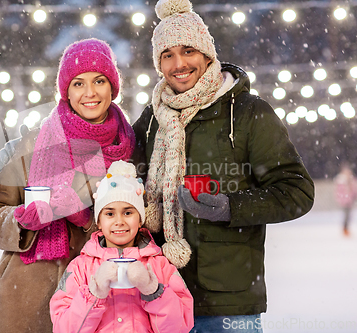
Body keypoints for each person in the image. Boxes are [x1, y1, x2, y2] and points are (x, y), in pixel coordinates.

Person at [131, 0, 315, 332]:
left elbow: (296, 191)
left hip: (226, 300)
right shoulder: (152, 118)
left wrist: (230, 208)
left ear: (207, 54)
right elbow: (123, 174)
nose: (179, 63)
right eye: (167, 55)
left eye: (188, 50)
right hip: (161, 295)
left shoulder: (248, 112)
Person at [0, 38, 141, 333]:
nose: (89, 93)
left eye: (99, 81)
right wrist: (21, 221)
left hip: (99, 298)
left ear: (113, 87)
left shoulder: (131, 147)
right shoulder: (31, 145)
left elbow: (144, 220)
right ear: (65, 90)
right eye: (78, 83)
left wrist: (93, 221)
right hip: (25, 298)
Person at [50, 160, 194, 333]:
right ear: (99, 222)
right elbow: (63, 329)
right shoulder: (80, 268)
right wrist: (93, 295)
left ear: (140, 219)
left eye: (128, 212)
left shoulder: (160, 265)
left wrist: (154, 291)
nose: (119, 221)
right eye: (110, 213)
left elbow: (180, 327)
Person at [334, 163, 357, 236]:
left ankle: (346, 228)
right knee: (347, 215)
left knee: (349, 215)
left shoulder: (351, 180)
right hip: (345, 201)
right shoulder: (341, 181)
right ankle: (345, 229)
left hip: (350, 201)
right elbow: (339, 192)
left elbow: (354, 189)